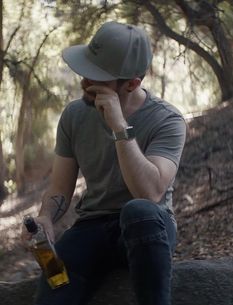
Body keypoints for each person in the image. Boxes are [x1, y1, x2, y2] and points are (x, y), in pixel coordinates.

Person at [22, 21, 186, 305]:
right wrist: (46, 217)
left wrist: (119, 126)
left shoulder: (167, 120)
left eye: (96, 76)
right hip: (91, 227)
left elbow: (150, 194)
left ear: (132, 83)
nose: (84, 81)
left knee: (138, 211)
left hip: (146, 227)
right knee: (54, 283)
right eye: (85, 71)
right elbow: (60, 188)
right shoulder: (74, 115)